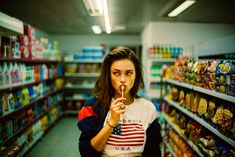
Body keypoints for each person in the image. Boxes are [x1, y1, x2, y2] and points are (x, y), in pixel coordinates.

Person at [77, 47, 162, 157]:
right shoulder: (93, 106)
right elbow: (86, 152)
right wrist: (111, 122)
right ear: (108, 76)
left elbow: (154, 151)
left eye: (128, 73)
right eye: (116, 73)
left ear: (136, 76)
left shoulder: (148, 108)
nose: (123, 79)